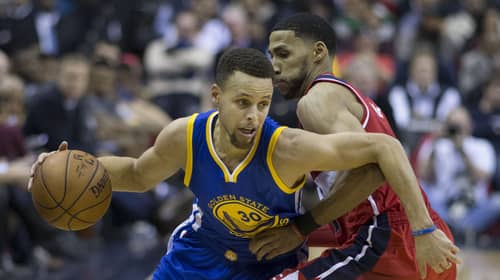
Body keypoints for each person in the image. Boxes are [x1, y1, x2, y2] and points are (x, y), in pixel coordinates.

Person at [28, 48, 458, 280]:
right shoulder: (186, 135)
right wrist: (69, 165)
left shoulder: (287, 147)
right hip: (198, 253)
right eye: (242, 103)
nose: (254, 115)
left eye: (263, 103)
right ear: (216, 97)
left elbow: (384, 149)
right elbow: (138, 175)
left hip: (266, 261)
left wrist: (422, 228)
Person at [249, 13, 459, 280]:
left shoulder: (315, 101)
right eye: (272, 56)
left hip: (388, 241)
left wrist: (301, 228)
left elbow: (373, 169)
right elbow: (356, 194)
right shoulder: (344, 94)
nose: (275, 66)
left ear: (318, 52)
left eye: (284, 54)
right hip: (406, 237)